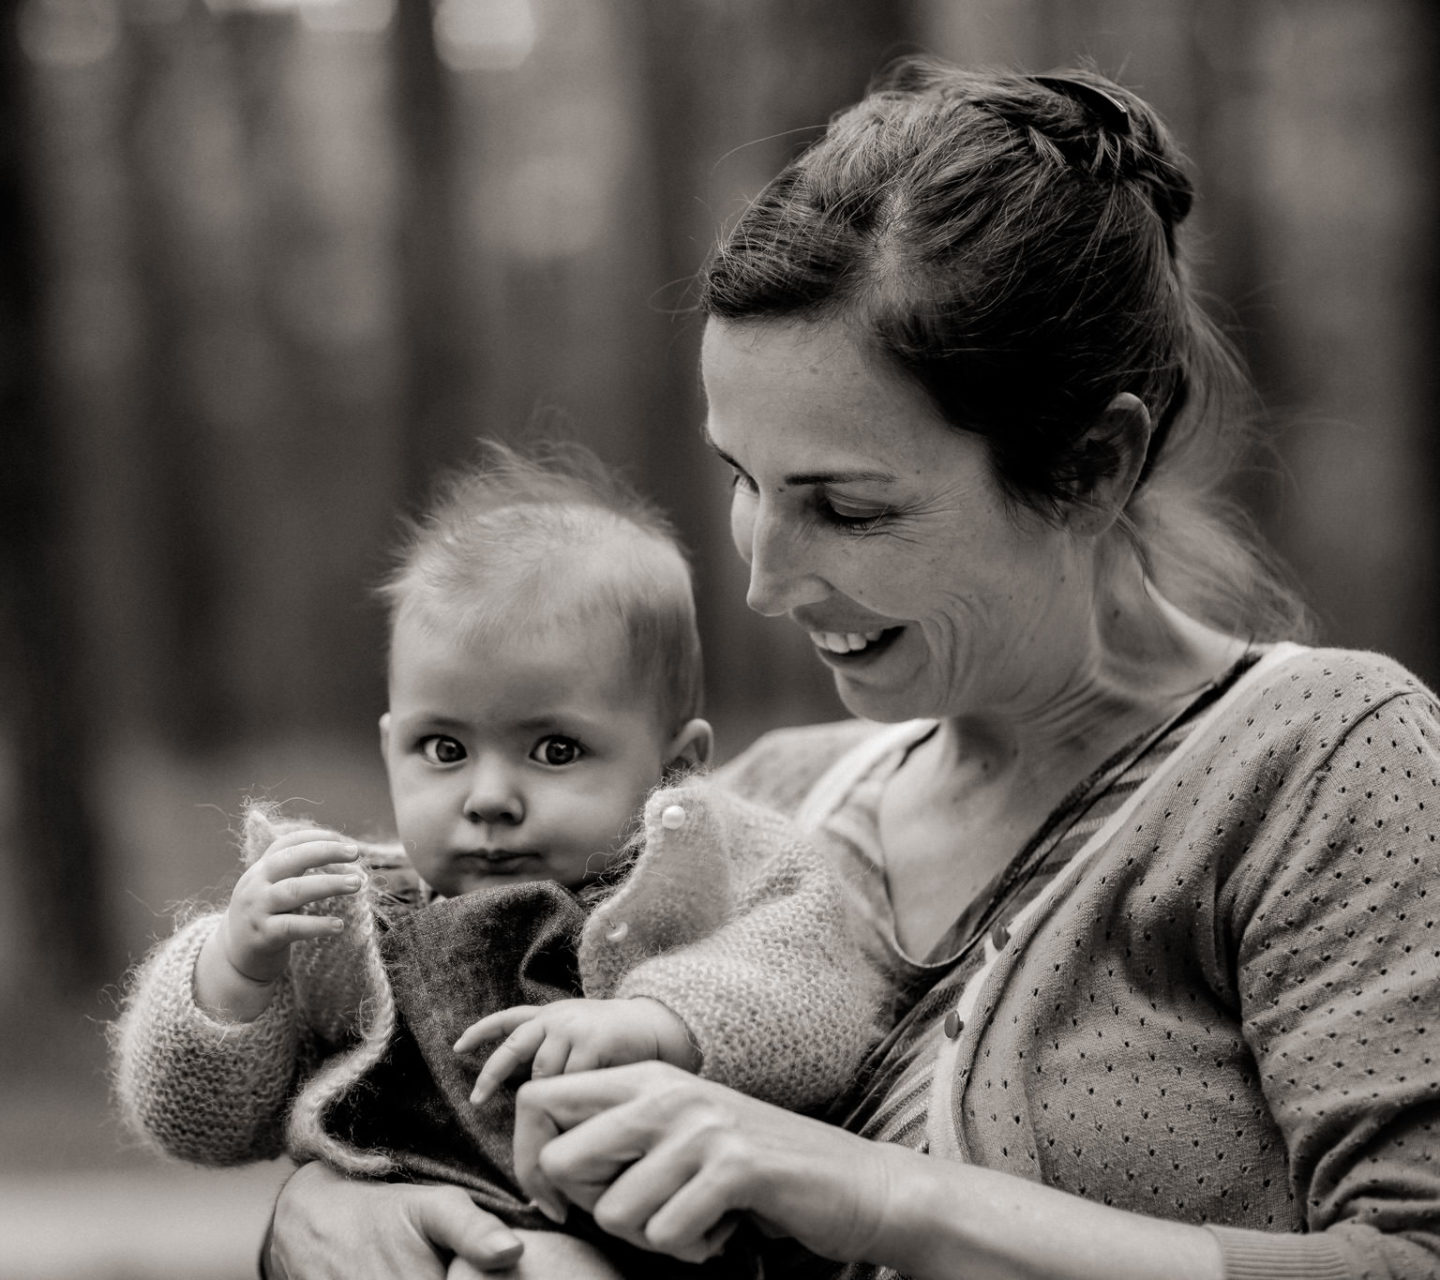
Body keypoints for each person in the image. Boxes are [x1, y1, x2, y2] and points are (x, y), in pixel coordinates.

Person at [261, 59, 1440, 1280]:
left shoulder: (1323, 760)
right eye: (744, 480)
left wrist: (878, 1195)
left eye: (848, 506)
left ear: (1094, 463)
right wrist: (323, 1218)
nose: (766, 579)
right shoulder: (757, 809)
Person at [112, 444, 888, 1274]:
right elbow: (198, 1123)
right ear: (389, 750)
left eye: (554, 750)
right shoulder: (350, 926)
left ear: (676, 765)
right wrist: (233, 972)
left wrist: (660, 1023)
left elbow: (821, 991)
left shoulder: (708, 861)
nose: (488, 796)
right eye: (442, 748)